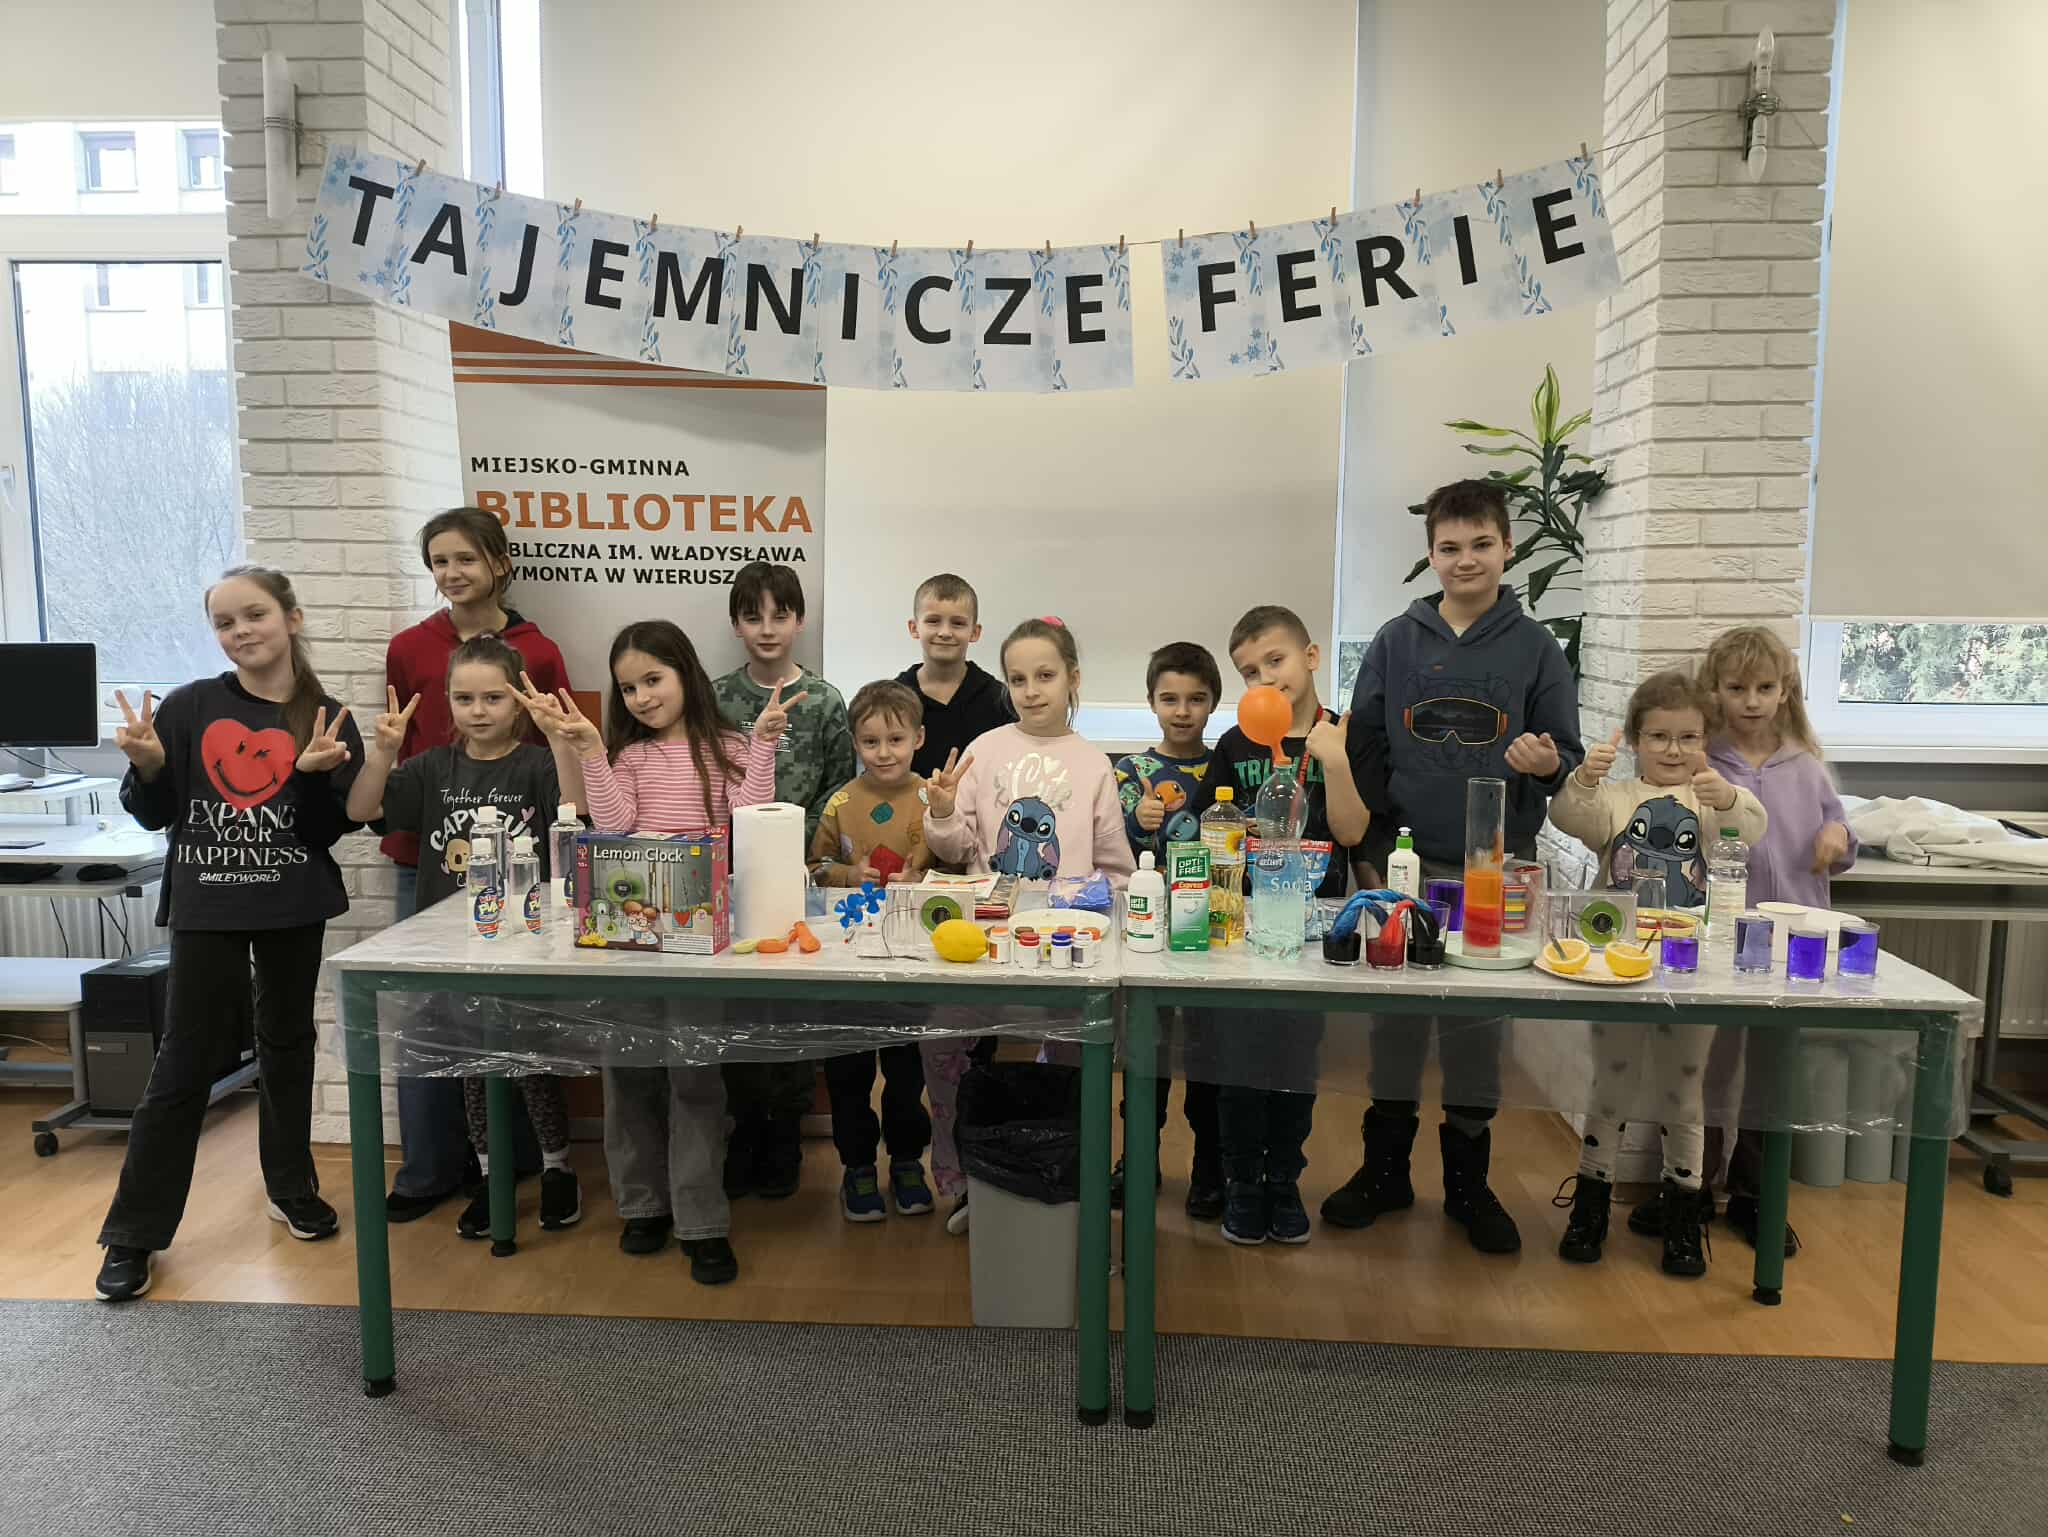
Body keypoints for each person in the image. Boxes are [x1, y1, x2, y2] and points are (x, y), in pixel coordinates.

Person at [94, 566, 364, 1303]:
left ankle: (292, 1188)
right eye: (224, 622)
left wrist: (311, 775)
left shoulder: (326, 716)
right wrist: (149, 766)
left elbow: (323, 831)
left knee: (287, 1043)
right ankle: (134, 1231)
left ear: (291, 618)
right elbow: (154, 813)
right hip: (207, 905)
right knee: (185, 1057)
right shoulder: (189, 706)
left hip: (292, 902)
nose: (241, 631)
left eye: (255, 615)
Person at [1329, 479, 1585, 1255]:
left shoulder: (1535, 648)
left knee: (1477, 1026)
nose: (1465, 559)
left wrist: (1545, 763)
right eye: (1449, 547)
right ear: (1430, 554)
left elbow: (1566, 758)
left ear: (1508, 547)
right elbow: (1364, 748)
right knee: (1396, 1022)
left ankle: (1469, 1185)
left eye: (1481, 544)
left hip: (1492, 870)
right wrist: (1370, 855)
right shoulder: (1394, 641)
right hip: (1400, 864)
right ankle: (1385, 1170)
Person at [519, 622, 787, 1286]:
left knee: (695, 1078)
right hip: (629, 939)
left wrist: (762, 745)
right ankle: (642, 1205)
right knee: (627, 1073)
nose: (641, 697)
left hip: (699, 941)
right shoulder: (629, 756)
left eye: (653, 680)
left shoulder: (726, 746)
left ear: (685, 673)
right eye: (628, 688)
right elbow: (611, 825)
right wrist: (589, 750)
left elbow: (749, 819)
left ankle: (702, 1221)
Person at [345, 635, 580, 1238]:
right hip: (454, 947)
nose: (478, 710)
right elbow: (361, 811)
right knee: (472, 1067)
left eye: (493, 698)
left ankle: (557, 1167)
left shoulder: (535, 764)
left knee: (529, 1061)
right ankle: (490, 1175)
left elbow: (576, 813)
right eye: (463, 698)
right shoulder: (431, 768)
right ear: (446, 702)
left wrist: (558, 740)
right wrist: (383, 752)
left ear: (518, 701)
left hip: (525, 940)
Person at [382, 506, 572, 1222]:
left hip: (519, 873)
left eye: (466, 557)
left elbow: (562, 758)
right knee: (437, 1028)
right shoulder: (410, 646)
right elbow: (399, 752)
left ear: (499, 562)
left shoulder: (538, 650)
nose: (453, 572)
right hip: (432, 864)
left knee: (519, 1032)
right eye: (439, 561)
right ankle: (437, 1169)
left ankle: (534, 1165)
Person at [1547, 671, 1767, 1278]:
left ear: (1706, 740)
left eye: (1688, 737)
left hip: (1689, 964)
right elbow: (1569, 817)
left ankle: (1683, 1215)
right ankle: (1590, 1204)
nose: (1673, 750)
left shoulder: (1712, 798)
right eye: (1659, 737)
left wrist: (1727, 799)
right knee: (1610, 1084)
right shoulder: (1616, 798)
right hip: (1617, 961)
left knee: (1683, 1090)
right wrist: (1584, 778)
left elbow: (1751, 830)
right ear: (1636, 739)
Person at [921, 618, 1137, 1233]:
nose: (1031, 690)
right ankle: (963, 1179)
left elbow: (1115, 869)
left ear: (1073, 678)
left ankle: (1059, 1179)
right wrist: (942, 812)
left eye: (1045, 675)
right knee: (941, 1045)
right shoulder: (985, 749)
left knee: (1070, 1067)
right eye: (1017, 679)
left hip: (1066, 949)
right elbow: (955, 846)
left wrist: (1103, 912)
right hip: (985, 942)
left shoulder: (1093, 763)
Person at [1678, 624, 1858, 1257]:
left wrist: (1838, 839)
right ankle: (1691, 1185)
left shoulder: (1806, 766)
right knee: (1707, 1065)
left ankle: (1755, 1194)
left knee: (1770, 1072)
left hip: (1794, 943)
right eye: (1736, 688)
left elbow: (1839, 831)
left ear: (1785, 691)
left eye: (1764, 688)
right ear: (1715, 691)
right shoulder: (1702, 762)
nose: (1751, 701)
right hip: (1721, 938)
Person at [1206, 607, 1368, 1246]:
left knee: (1297, 1066)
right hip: (1244, 929)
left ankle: (1284, 1179)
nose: (1265, 679)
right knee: (1239, 1064)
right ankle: (1243, 1181)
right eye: (1250, 672)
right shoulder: (1235, 744)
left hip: (1312, 934)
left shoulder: (1344, 734)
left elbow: (1352, 832)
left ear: (1311, 656)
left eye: (1275, 661)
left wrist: (1336, 763)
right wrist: (1234, 830)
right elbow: (1209, 831)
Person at [711, 561, 855, 1203]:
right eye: (752, 616)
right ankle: (745, 1129)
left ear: (800, 621)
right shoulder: (716, 697)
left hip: (803, 874)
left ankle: (785, 1133)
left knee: (794, 1005)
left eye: (780, 615)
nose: (767, 628)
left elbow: (838, 787)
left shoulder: (824, 700)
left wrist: (798, 847)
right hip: (733, 874)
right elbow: (707, 780)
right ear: (736, 625)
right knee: (739, 1003)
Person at [808, 679, 936, 1222]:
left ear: (918, 739)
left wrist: (923, 876)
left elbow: (957, 864)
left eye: (895, 740)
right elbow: (814, 869)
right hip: (849, 954)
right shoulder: (840, 803)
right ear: (855, 743)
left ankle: (907, 1161)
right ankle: (857, 1165)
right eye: (870, 741)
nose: (883, 752)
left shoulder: (933, 799)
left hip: (911, 956)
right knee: (849, 1072)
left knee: (907, 1073)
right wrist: (847, 874)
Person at [1110, 642, 1226, 1218]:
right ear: (1151, 701)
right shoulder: (1129, 771)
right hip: (1146, 930)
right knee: (1145, 1051)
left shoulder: (1224, 764)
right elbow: (1112, 845)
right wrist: (1137, 821)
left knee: (1207, 1053)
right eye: (1170, 699)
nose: (1183, 711)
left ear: (1214, 703)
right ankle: (1138, 1158)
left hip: (1212, 931)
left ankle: (1210, 1167)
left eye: (1196, 699)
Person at [896, 572, 1014, 779]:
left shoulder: (1000, 700)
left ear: (975, 632)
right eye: (933, 621)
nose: (945, 632)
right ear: (914, 628)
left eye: (958, 623)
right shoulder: (893, 699)